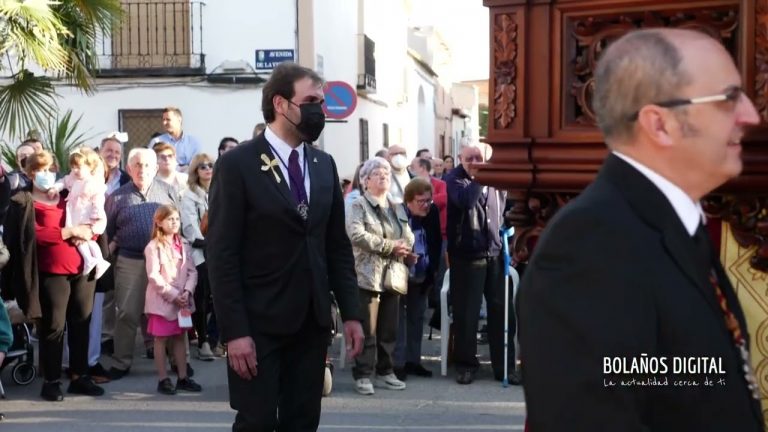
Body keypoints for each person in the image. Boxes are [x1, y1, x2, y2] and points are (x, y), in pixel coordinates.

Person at [517, 29, 763, 431]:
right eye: (729, 99)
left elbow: (681, 386)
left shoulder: (672, 228)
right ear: (659, 124)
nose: (750, 115)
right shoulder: (590, 247)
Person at [208, 61, 364, 431]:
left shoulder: (323, 165)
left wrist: (352, 313)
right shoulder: (237, 165)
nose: (319, 110)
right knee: (256, 422)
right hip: (257, 324)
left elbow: (336, 247)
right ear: (281, 104)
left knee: (302, 421)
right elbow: (222, 254)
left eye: (321, 103)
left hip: (310, 324)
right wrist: (235, 332)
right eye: (311, 100)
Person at [3, 151, 105, 401]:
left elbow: (90, 219)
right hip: (50, 273)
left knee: (81, 324)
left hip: (82, 269)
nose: (46, 174)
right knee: (53, 328)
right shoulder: (22, 201)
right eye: (40, 170)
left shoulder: (67, 194)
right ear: (29, 173)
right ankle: (51, 381)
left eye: (50, 169)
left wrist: (88, 232)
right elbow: (33, 236)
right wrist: (68, 231)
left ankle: (80, 376)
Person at [445, 144, 517, 385]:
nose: (474, 161)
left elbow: (507, 205)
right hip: (466, 255)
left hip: (495, 254)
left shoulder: (495, 179)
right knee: (467, 313)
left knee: (502, 311)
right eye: (469, 158)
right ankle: (466, 365)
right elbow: (466, 201)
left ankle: (504, 367)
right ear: (460, 159)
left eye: (479, 158)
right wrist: (481, 177)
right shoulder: (455, 179)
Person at [105, 148, 178, 379]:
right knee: (126, 312)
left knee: (172, 311)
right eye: (136, 165)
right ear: (129, 169)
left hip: (165, 261)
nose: (142, 169)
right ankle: (121, 362)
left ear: (155, 168)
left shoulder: (168, 192)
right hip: (131, 260)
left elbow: (179, 224)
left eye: (147, 165)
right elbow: (109, 230)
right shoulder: (116, 197)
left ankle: (178, 361)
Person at [346, 156, 414, 395]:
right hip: (367, 276)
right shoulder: (358, 205)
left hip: (392, 276)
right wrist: (389, 246)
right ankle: (363, 374)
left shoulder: (396, 206)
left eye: (386, 173)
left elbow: (408, 235)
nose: (384, 176)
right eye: (377, 173)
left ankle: (386, 371)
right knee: (368, 328)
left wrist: (404, 246)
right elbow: (356, 235)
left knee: (389, 329)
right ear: (365, 181)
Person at [144, 205, 202, 395]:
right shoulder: (153, 247)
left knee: (180, 337)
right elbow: (154, 276)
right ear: (159, 222)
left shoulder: (184, 244)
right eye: (170, 219)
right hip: (163, 301)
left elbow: (192, 272)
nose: (174, 222)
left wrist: (187, 291)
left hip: (182, 301)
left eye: (177, 219)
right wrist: (174, 295)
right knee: (160, 339)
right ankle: (163, 379)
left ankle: (183, 377)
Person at [393, 177, 441, 380]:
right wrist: (404, 257)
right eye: (421, 201)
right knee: (398, 319)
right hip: (401, 272)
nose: (426, 205)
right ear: (409, 200)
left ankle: (414, 360)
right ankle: (398, 363)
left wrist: (432, 272)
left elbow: (436, 241)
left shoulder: (433, 213)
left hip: (422, 273)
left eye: (429, 200)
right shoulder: (397, 213)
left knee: (417, 317)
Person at [49, 148, 111, 278]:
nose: (75, 170)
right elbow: (63, 182)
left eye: (78, 167)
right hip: (74, 214)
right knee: (79, 240)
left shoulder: (94, 184)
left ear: (89, 167)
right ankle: (90, 260)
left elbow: (98, 203)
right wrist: (55, 188)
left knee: (87, 240)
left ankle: (99, 261)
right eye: (73, 167)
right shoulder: (72, 178)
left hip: (86, 216)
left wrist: (94, 219)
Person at [180, 153, 215, 361]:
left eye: (210, 165)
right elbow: (190, 229)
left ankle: (217, 339)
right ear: (195, 171)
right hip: (200, 253)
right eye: (202, 166)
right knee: (201, 298)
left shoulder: (220, 191)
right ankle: (203, 341)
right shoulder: (189, 196)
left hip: (220, 252)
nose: (207, 169)